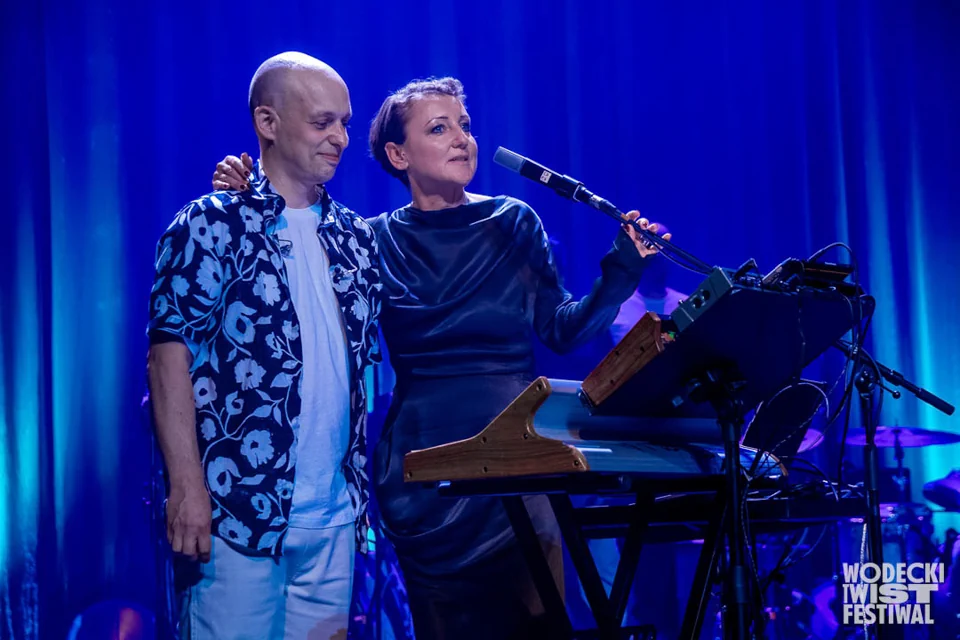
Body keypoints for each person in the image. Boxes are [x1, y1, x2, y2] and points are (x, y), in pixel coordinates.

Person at [213, 76, 671, 639]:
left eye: (465, 126)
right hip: (424, 471)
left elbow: (563, 329)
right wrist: (246, 194)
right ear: (398, 155)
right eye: (439, 128)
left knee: (538, 622)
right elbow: (292, 264)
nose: (462, 139)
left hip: (519, 453)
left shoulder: (513, 221)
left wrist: (623, 267)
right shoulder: (369, 240)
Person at [147, 52, 381, 640]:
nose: (340, 138)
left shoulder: (355, 236)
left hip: (333, 519)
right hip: (236, 512)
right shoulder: (211, 224)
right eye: (322, 122)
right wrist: (186, 487)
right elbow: (168, 358)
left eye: (345, 123)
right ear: (267, 122)